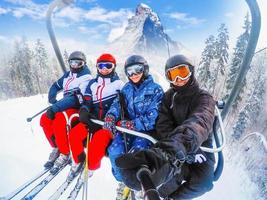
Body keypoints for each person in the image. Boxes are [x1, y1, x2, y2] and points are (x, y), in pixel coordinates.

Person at [116, 54, 216, 200]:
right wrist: (177, 147)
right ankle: (154, 194)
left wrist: (187, 146)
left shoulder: (203, 98)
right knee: (168, 174)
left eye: (182, 73)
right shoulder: (168, 97)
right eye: (173, 75)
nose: (178, 80)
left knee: (204, 183)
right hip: (173, 146)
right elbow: (163, 125)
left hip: (200, 145)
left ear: (191, 72)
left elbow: (199, 122)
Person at [103, 55, 164, 183]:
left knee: (135, 155)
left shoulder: (155, 89)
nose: (134, 74)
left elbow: (155, 116)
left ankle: (137, 183)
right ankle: (124, 180)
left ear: (145, 69)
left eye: (138, 69)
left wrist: (133, 124)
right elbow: (117, 104)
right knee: (114, 151)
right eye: (129, 71)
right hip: (127, 130)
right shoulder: (127, 88)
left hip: (146, 133)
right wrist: (111, 116)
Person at [66, 53, 124, 181]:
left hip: (108, 124)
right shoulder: (92, 83)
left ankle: (90, 168)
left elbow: (121, 106)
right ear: (97, 67)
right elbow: (87, 101)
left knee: (97, 142)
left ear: (114, 67)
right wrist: (85, 111)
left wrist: (113, 120)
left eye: (108, 66)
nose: (104, 69)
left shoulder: (119, 85)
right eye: (101, 66)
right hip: (92, 121)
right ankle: (79, 160)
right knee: (74, 134)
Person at [40, 51, 92, 174]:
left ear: (83, 64)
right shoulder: (68, 75)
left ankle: (65, 152)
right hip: (63, 104)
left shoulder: (86, 77)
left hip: (76, 106)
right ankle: (57, 147)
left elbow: (75, 98)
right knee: (45, 119)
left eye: (78, 63)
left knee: (59, 119)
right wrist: (52, 97)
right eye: (72, 62)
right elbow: (56, 85)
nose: (75, 65)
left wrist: (56, 107)